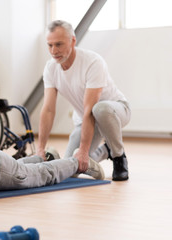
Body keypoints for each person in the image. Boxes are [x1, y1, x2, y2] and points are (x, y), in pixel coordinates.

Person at [37, 20, 131, 181]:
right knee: (71, 169)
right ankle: (104, 151)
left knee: (100, 109)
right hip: (86, 121)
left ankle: (119, 157)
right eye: (50, 45)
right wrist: (40, 148)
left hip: (115, 112)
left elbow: (90, 109)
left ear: (73, 40)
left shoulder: (92, 62)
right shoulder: (51, 68)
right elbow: (48, 109)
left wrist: (83, 149)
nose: (54, 51)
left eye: (59, 44)